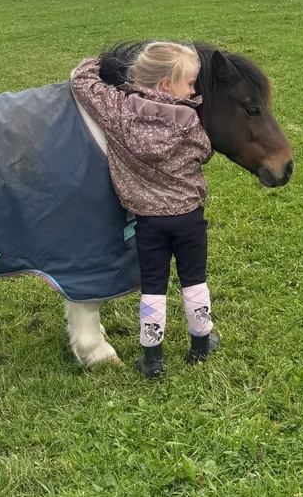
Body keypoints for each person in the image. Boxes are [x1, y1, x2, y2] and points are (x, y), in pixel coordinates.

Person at [70, 41, 217, 378]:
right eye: (191, 83)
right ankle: (201, 344)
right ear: (167, 85)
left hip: (149, 222)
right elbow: (205, 151)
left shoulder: (117, 110)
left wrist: (102, 61)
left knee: (153, 286)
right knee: (194, 281)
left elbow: (81, 80)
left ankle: (152, 358)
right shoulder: (189, 118)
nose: (194, 90)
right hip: (189, 216)